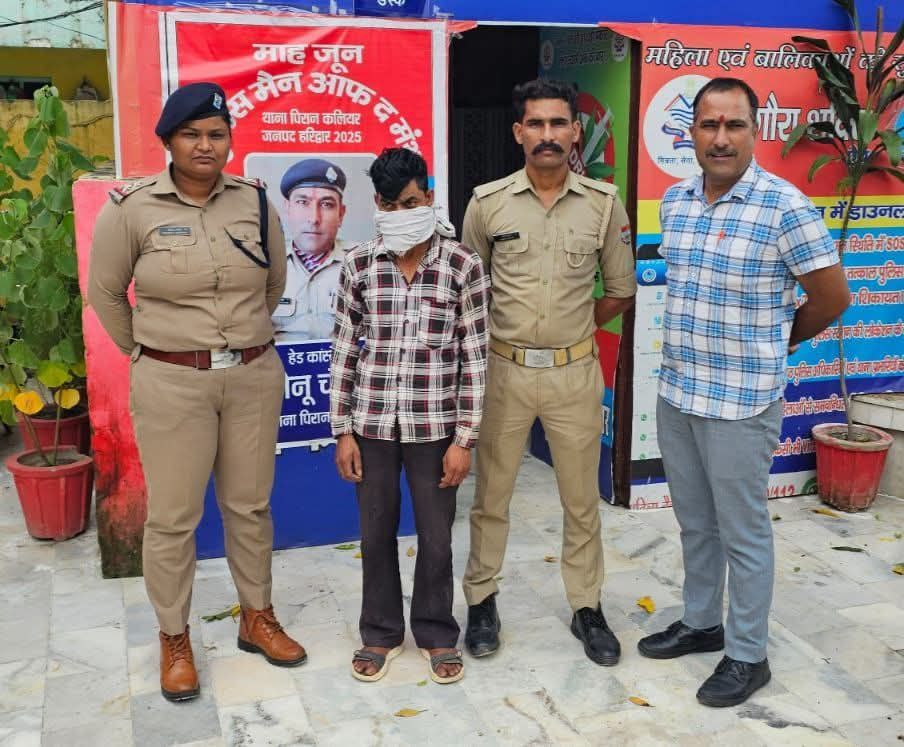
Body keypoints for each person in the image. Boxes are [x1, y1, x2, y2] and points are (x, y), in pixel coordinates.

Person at [88, 82, 307, 703]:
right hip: (172, 383)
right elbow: (105, 292)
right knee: (173, 518)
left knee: (250, 506)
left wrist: (241, 340)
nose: (205, 145)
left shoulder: (255, 202)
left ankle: (256, 617)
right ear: (169, 141)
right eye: (191, 134)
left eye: (216, 134)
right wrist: (150, 351)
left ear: (229, 141)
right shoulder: (131, 208)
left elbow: (273, 283)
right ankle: (174, 637)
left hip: (252, 376)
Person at [637, 77, 850, 707]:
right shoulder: (675, 202)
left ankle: (748, 654)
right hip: (679, 392)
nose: (721, 138)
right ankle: (703, 622)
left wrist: (776, 343)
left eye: (734, 125)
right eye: (709, 125)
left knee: (743, 532)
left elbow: (832, 297)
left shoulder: (785, 207)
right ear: (692, 133)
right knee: (695, 523)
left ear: (756, 132)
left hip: (742, 401)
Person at [461, 79, 637, 666]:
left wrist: (574, 328)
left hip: (573, 374)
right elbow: (471, 293)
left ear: (575, 132)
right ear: (519, 133)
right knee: (491, 497)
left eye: (558, 123)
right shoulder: (487, 204)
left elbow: (620, 290)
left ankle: (587, 606)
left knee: (581, 500)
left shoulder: (603, 205)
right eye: (535, 124)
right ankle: (481, 601)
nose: (547, 135)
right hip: (505, 372)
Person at [330, 147, 489, 685]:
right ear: (377, 204)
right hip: (372, 423)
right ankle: (379, 632)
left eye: (413, 203)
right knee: (375, 532)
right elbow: (344, 350)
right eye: (392, 205)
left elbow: (475, 357)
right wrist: (342, 430)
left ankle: (437, 631)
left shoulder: (462, 265)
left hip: (436, 426)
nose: (403, 213)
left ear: (430, 198)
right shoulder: (358, 263)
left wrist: (465, 439)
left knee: (436, 535)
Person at [272, 157, 348, 340]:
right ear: (287, 209)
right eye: (302, 202)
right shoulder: (265, 265)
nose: (314, 218)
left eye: (326, 204)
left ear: (341, 214)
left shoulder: (363, 264)